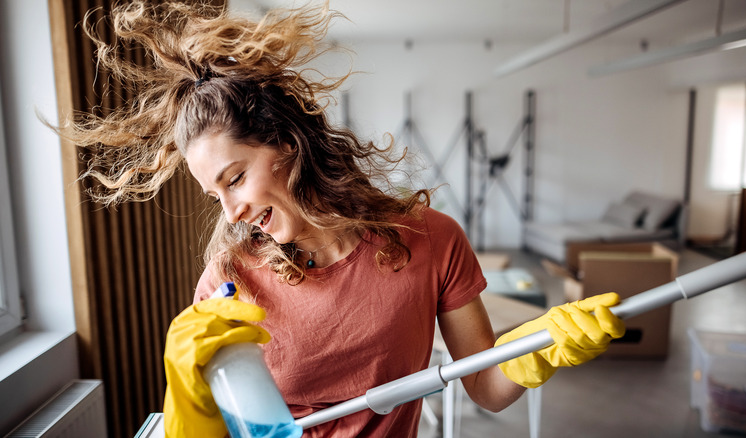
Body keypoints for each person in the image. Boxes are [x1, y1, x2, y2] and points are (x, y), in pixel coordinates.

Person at [61, 1, 626, 437]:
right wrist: (188, 399)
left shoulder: (431, 241)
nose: (231, 212)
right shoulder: (231, 282)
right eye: (216, 195)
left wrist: (537, 349)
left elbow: (482, 385)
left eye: (234, 179)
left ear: (284, 144)